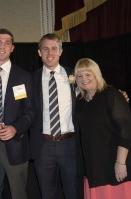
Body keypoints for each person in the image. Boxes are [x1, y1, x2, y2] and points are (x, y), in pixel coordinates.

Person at [0, 28, 36, 199]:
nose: (2, 46)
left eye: (7, 43)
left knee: (19, 194)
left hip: (15, 144)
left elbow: (31, 111)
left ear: (12, 48)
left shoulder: (24, 76)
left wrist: (15, 128)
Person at [29, 33, 83, 199]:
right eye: (45, 49)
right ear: (39, 53)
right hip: (43, 146)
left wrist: (117, 94)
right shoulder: (30, 79)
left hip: (71, 146)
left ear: (61, 51)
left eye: (54, 48)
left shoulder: (76, 75)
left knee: (74, 193)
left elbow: (94, 94)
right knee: (47, 194)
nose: (50, 53)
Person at [74, 58, 131, 199]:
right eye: (79, 76)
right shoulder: (81, 101)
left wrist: (120, 162)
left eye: (88, 74)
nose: (84, 79)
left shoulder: (111, 94)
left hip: (112, 164)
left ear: (96, 75)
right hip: (93, 166)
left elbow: (126, 130)